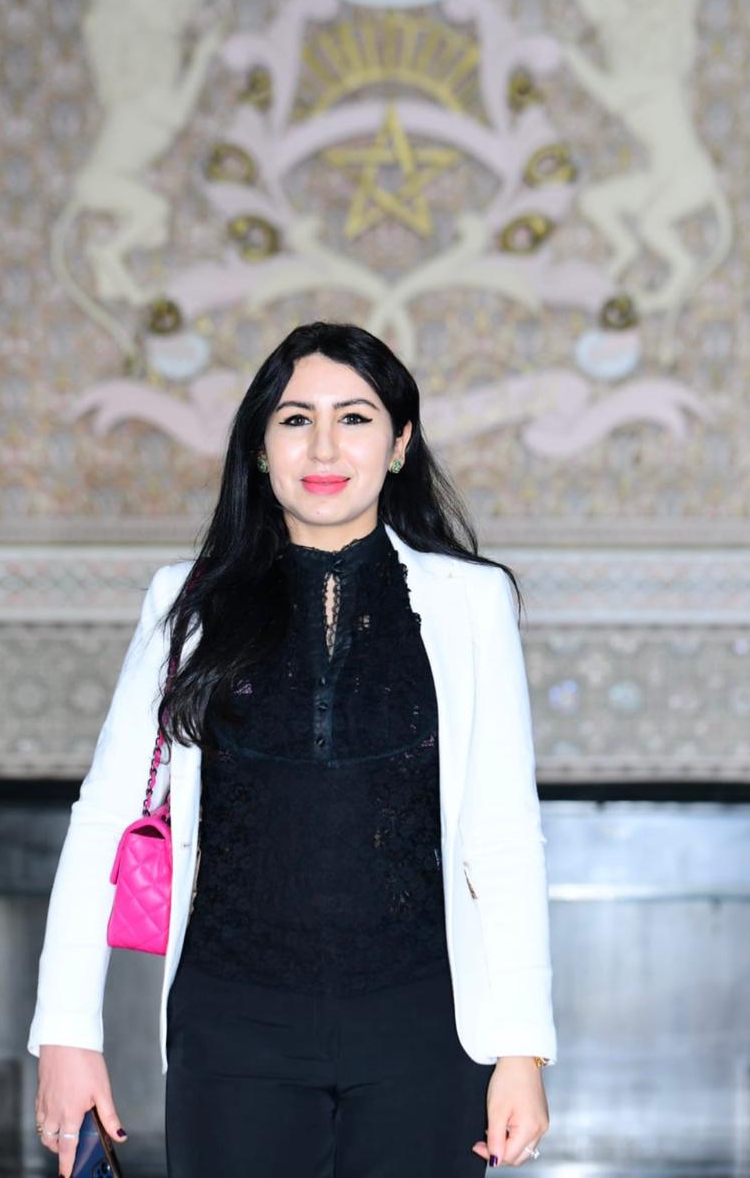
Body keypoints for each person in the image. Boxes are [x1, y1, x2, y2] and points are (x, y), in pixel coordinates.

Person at [28, 321, 557, 1177]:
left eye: (355, 418)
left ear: (399, 443)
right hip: (232, 1029)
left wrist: (523, 1049)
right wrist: (65, 1034)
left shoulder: (473, 602)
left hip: (426, 1029)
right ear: (259, 446)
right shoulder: (187, 604)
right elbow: (105, 820)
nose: (324, 447)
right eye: (295, 419)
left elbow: (502, 837)